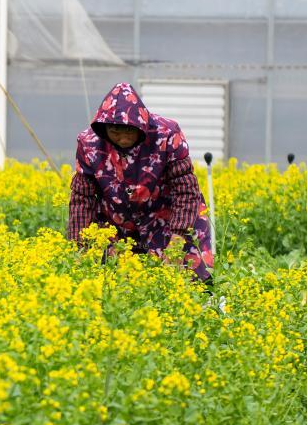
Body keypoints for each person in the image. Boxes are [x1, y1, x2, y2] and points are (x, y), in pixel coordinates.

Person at [67, 82, 213, 281]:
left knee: (183, 280)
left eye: (129, 131)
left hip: (169, 218)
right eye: (115, 132)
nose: (122, 138)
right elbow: (82, 199)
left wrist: (177, 239)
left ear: (141, 125)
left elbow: (186, 191)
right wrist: (79, 246)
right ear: (103, 128)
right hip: (117, 222)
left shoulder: (166, 135)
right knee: (113, 282)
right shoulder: (89, 144)